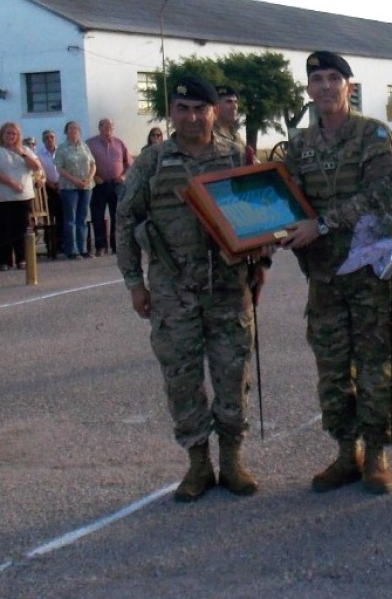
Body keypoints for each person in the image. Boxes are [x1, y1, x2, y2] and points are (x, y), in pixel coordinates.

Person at [116, 75, 266, 503]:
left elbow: (262, 214)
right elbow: (126, 223)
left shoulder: (237, 156)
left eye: (201, 108)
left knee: (232, 376)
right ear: (172, 112)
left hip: (228, 288)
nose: (192, 116)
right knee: (181, 379)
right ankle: (198, 463)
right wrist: (134, 284)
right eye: (183, 109)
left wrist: (263, 265)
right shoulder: (152, 162)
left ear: (215, 111)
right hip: (172, 291)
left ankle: (233, 460)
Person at [281, 51, 392, 495]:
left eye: (335, 78)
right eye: (318, 79)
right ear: (309, 89)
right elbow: (286, 199)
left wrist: (323, 224)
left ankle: (376, 455)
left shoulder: (373, 135)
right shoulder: (299, 145)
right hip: (324, 277)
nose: (327, 86)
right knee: (332, 369)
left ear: (349, 87)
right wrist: (274, 229)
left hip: (370, 275)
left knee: (374, 366)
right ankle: (344, 452)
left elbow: (380, 196)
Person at [0, 122, 43, 270]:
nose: (11, 136)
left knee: (21, 228)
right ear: (2, 135)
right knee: (5, 228)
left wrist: (22, 153)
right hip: (4, 196)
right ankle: (4, 260)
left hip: (23, 196)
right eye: (8, 133)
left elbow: (37, 167)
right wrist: (12, 183)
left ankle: (22, 258)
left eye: (14, 134)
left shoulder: (24, 150)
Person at [86, 118, 131, 256]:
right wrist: (93, 177)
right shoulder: (90, 144)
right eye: (105, 127)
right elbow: (85, 164)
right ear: (99, 128)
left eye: (111, 127)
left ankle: (115, 245)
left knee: (116, 216)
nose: (108, 130)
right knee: (97, 216)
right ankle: (100, 246)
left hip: (116, 184)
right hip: (99, 185)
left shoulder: (119, 143)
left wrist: (123, 176)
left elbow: (129, 163)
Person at [54, 121, 96, 260]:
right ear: (66, 132)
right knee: (70, 218)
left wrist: (89, 178)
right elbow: (59, 168)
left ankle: (83, 248)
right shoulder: (61, 148)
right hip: (69, 187)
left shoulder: (84, 147)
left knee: (82, 218)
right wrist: (74, 180)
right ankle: (72, 249)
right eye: (71, 129)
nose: (74, 131)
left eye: (77, 129)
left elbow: (92, 164)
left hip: (86, 186)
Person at [38, 129, 63, 259]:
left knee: (62, 217)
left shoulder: (61, 152)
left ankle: (61, 245)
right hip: (48, 188)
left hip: (63, 187)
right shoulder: (40, 155)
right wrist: (50, 184)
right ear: (43, 140)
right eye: (46, 138)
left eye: (51, 137)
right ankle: (50, 246)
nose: (49, 139)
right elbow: (40, 172)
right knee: (50, 218)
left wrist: (60, 183)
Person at [215, 85, 255, 164]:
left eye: (236, 102)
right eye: (229, 102)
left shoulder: (234, 134)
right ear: (215, 106)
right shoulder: (207, 135)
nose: (234, 106)